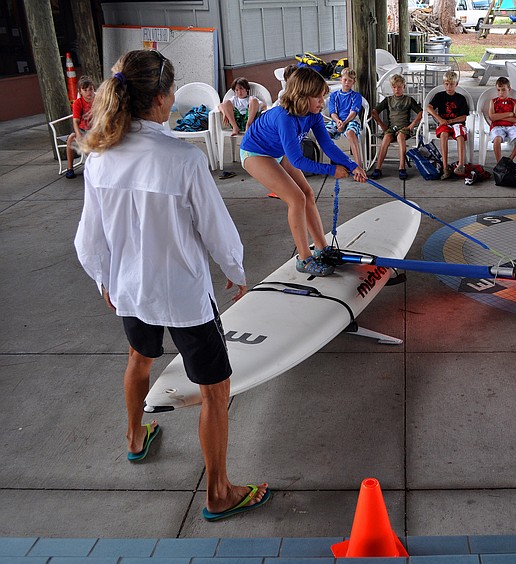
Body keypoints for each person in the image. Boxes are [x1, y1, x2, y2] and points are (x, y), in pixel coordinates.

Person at [74, 49, 269, 522]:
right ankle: (218, 491)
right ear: (162, 98)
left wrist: (104, 276)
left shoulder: (99, 157)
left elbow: (88, 237)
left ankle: (136, 436)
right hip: (183, 296)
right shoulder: (183, 158)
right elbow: (216, 229)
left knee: (139, 357)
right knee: (215, 390)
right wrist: (236, 272)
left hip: (130, 290)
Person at [241, 67, 367, 277]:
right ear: (301, 96)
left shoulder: (313, 114)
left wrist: (353, 166)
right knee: (296, 199)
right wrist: (330, 169)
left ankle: (322, 247)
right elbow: (299, 160)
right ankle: (304, 258)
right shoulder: (284, 117)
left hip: (279, 151)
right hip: (256, 153)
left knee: (307, 194)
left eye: (322, 96)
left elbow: (328, 146)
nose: (322, 102)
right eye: (317, 97)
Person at [370, 74, 423, 180]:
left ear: (404, 87)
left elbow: (421, 112)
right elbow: (374, 112)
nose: (397, 89)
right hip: (391, 128)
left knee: (400, 137)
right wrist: (382, 124)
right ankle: (378, 168)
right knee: (386, 138)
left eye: (399, 87)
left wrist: (411, 126)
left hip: (404, 128)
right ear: (392, 87)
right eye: (394, 87)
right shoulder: (388, 100)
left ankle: (402, 167)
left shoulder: (408, 100)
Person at [427, 70, 469, 180]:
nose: (449, 87)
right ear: (443, 84)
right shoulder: (439, 96)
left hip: (457, 123)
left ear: (456, 84)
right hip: (443, 122)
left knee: (460, 135)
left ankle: (461, 165)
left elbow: (464, 116)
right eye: (446, 84)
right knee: (444, 134)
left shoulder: (461, 98)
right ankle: (445, 167)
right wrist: (439, 119)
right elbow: (428, 107)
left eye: (451, 84)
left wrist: (452, 121)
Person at [325, 67, 364, 169]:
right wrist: (338, 122)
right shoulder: (334, 95)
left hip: (351, 120)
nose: (347, 82)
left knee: (350, 133)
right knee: (325, 134)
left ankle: (358, 166)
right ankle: (335, 159)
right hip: (337, 120)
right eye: (345, 80)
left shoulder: (356, 96)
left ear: (353, 82)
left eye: (350, 81)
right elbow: (332, 112)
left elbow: (353, 112)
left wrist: (344, 123)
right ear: (341, 79)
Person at [488, 76, 516, 163]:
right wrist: (509, 114)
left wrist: (498, 116)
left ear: (509, 89)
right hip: (496, 126)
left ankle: (510, 159)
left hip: (511, 127)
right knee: (497, 139)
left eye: (503, 90)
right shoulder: (493, 101)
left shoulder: (514, 102)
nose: (501, 93)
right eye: (498, 90)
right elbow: (492, 117)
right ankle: (499, 163)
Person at [64, 75, 96, 179]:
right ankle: (70, 168)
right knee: (71, 138)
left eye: (90, 89)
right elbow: (75, 121)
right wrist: (78, 134)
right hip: (83, 130)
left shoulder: (99, 100)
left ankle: (95, 166)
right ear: (80, 91)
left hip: (96, 130)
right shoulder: (78, 103)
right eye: (85, 90)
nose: (88, 92)